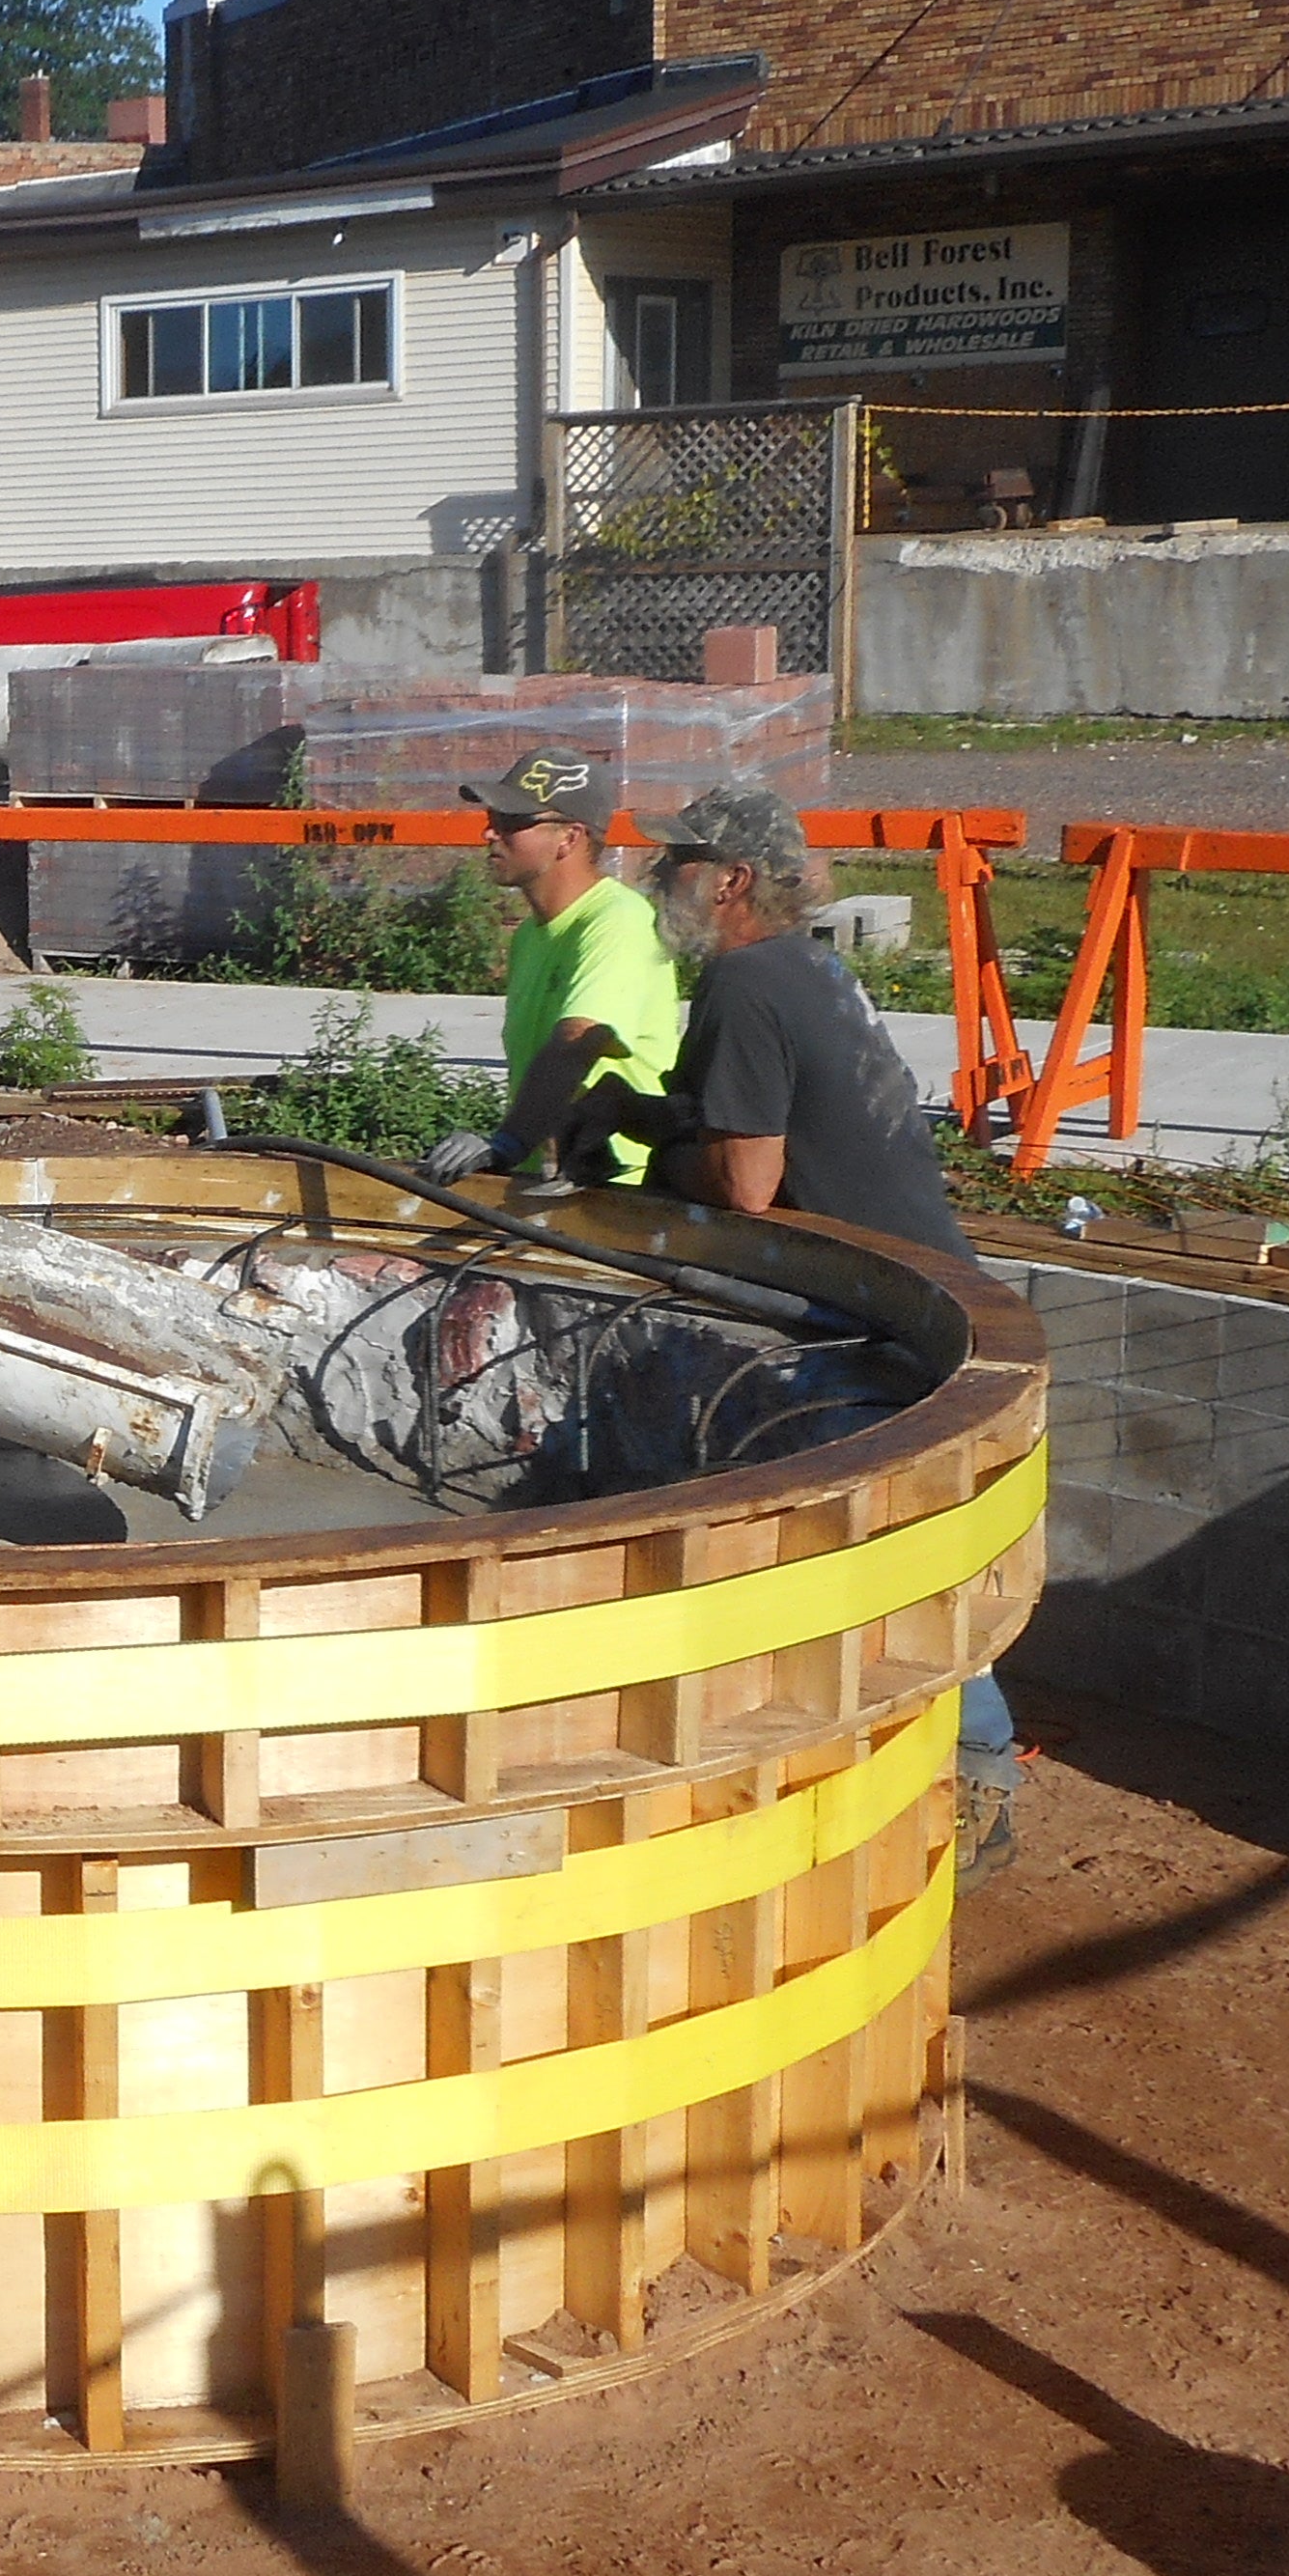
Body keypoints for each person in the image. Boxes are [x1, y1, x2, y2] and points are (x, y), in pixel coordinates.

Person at [520, 782, 1025, 1868]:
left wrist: (648, 1159)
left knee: (897, 1543)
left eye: (679, 864)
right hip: (916, 1289)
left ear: (732, 880)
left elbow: (748, 1185)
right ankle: (950, 1764)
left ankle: (975, 1775)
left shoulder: (745, 981)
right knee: (893, 1542)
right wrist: (640, 1115)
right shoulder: (803, 968)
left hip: (872, 1313)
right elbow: (757, 1126)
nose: (659, 881)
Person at [421, 742, 681, 1188]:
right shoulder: (530, 935)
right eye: (490, 821)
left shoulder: (617, 921)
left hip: (620, 1191)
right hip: (550, 1178)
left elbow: (579, 1040)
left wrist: (507, 1143)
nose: (489, 834)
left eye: (511, 823)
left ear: (570, 838)